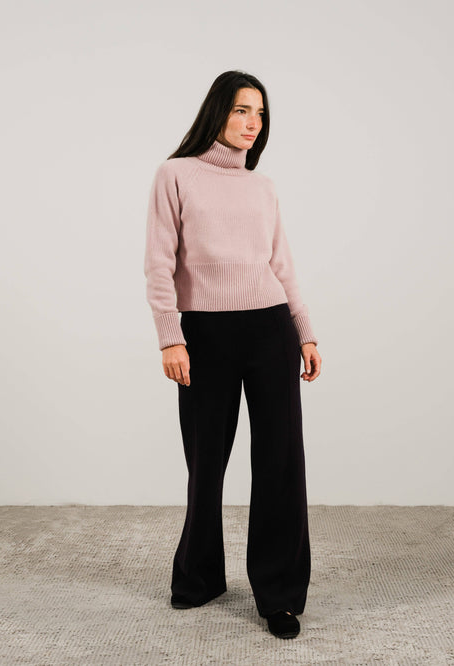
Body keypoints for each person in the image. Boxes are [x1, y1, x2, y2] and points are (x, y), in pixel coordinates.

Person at [143, 70, 322, 639]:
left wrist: (305, 332)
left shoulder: (262, 186)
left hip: (270, 329)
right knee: (205, 462)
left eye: (260, 114)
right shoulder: (175, 174)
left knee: (280, 464)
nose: (253, 123)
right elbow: (158, 264)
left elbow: (282, 265)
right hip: (204, 335)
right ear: (218, 111)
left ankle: (280, 595)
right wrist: (170, 336)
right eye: (243, 110)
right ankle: (199, 577)